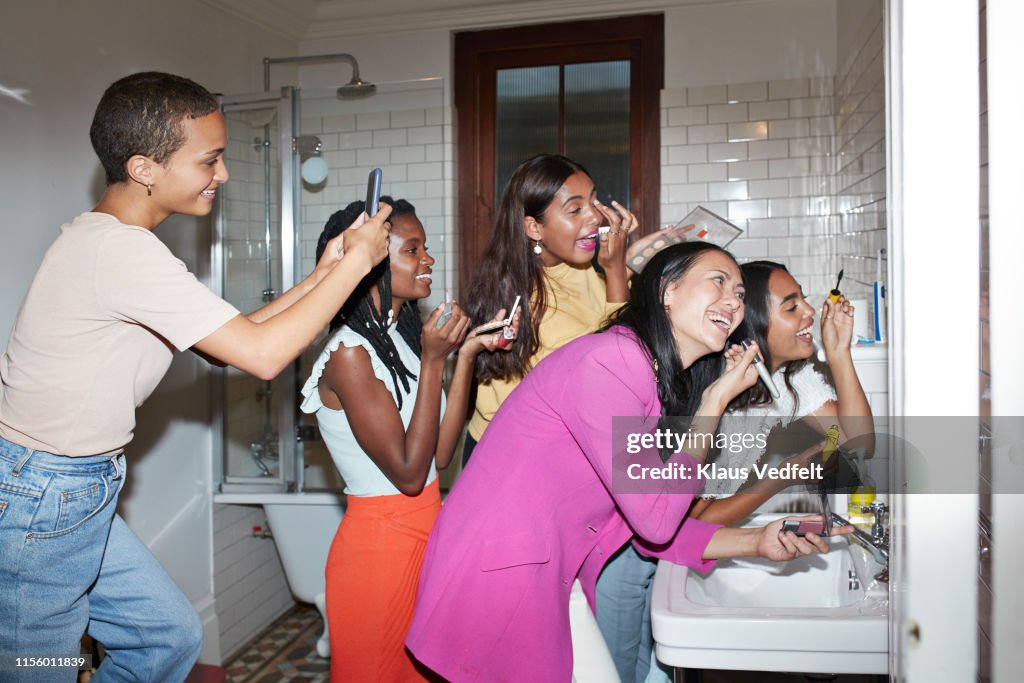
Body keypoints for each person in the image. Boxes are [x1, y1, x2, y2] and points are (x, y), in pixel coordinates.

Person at [0, 72, 390, 682]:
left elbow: (227, 340)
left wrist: (327, 271)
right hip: (44, 491)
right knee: (35, 665)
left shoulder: (121, 245)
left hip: (77, 485)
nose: (224, 174)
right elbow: (260, 355)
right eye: (209, 159)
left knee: (165, 638)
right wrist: (360, 264)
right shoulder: (120, 253)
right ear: (145, 167)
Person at [405, 243, 850, 682]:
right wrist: (713, 403)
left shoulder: (644, 377)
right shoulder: (612, 362)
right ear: (666, 292)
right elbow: (656, 521)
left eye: (738, 292)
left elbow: (645, 524)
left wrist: (757, 542)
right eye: (718, 281)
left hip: (543, 574)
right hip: (499, 579)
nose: (733, 300)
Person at [595, 259, 874, 683]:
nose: (810, 313)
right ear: (759, 326)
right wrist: (782, 477)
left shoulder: (786, 382)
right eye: (792, 305)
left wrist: (838, 353)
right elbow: (695, 522)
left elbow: (857, 441)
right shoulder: (735, 405)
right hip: (627, 558)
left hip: (662, 552)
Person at [299, 196, 514, 681]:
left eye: (424, 248)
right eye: (412, 250)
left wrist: (466, 356)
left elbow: (439, 456)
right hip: (378, 554)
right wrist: (436, 359)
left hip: (424, 539)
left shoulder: (398, 338)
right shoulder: (348, 354)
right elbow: (410, 474)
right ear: (372, 261)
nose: (428, 260)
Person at [462, 154, 637, 465]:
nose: (595, 217)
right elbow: (616, 364)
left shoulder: (578, 267)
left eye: (595, 201)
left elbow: (612, 314)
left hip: (563, 443)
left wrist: (628, 267)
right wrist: (616, 272)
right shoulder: (523, 302)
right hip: (512, 457)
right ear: (534, 228)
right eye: (575, 210)